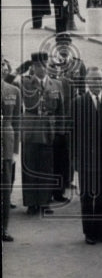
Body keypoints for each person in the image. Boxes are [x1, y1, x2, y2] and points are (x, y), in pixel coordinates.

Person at [72, 67, 102, 244]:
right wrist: (75, 159)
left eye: (99, 79)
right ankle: (89, 233)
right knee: (87, 196)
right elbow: (73, 133)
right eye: (93, 80)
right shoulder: (78, 102)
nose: (96, 83)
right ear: (87, 82)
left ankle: (101, 232)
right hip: (87, 159)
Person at [17, 52, 64, 215]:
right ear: (33, 67)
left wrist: (60, 131)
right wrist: (17, 71)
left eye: (44, 65)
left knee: (46, 167)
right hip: (30, 129)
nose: (41, 68)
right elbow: (6, 82)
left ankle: (44, 202)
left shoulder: (56, 84)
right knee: (30, 165)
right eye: (37, 65)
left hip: (48, 130)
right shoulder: (25, 82)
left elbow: (60, 109)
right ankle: (31, 202)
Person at [2, 75, 21, 241]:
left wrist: (15, 150)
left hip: (5, 145)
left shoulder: (13, 91)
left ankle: (3, 228)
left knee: (5, 188)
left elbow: (17, 121)